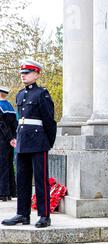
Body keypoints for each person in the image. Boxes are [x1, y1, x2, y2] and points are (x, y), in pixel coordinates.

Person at [2, 59, 57, 228]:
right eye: (22, 74)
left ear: (36, 74)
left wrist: (48, 142)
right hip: (22, 141)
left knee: (40, 180)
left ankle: (44, 215)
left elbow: (49, 121)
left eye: (27, 73)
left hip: (38, 141)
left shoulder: (42, 94)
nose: (23, 76)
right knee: (22, 179)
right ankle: (22, 214)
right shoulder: (20, 94)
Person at [0, 86, 18, 202]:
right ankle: (10, 191)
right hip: (9, 141)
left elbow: (2, 125)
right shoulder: (10, 106)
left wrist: (9, 137)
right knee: (8, 165)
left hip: (2, 139)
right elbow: (14, 124)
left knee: (2, 165)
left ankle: (3, 192)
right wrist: (14, 138)